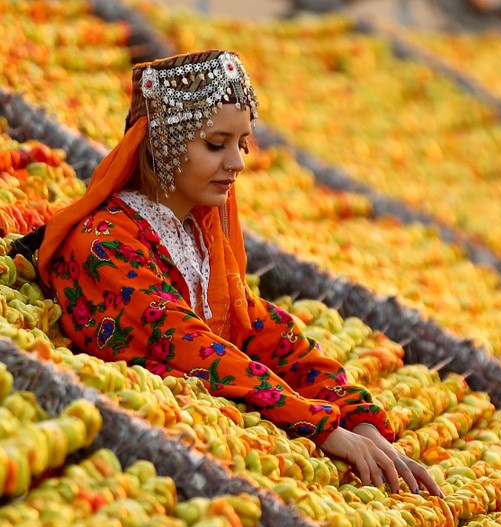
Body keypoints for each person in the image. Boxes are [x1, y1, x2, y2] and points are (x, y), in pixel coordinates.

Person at [33, 50, 441, 497]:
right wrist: (320, 426)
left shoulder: (197, 238)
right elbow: (185, 342)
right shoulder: (104, 243)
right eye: (216, 144)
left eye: (242, 144)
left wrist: (358, 417)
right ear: (162, 142)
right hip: (133, 476)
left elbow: (261, 330)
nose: (238, 163)